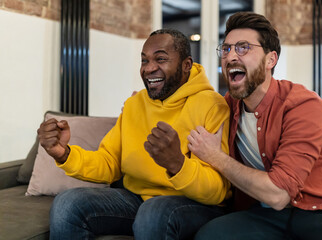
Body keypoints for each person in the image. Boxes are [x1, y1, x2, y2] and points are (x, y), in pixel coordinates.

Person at [38, 29, 231, 240]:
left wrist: (177, 164)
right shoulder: (134, 104)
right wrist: (63, 154)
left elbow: (218, 190)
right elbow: (109, 162)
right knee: (67, 204)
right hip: (137, 199)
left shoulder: (212, 105)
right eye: (144, 60)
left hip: (194, 204)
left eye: (160, 59)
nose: (149, 68)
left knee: (153, 212)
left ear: (186, 65)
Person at [188, 12, 322, 239]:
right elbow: (185, 111)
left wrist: (216, 157)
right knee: (209, 235)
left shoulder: (302, 104)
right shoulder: (226, 107)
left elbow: (279, 194)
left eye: (242, 48)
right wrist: (148, 103)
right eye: (226, 48)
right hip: (266, 215)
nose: (230, 57)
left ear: (271, 60)